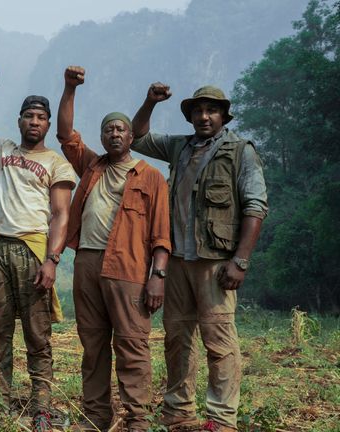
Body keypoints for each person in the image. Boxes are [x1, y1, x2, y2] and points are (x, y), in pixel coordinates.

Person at [131, 83, 268, 432]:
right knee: (177, 339)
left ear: (223, 115)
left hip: (216, 263)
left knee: (218, 341)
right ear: (190, 115)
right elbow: (138, 136)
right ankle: (179, 412)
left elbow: (256, 206)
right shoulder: (179, 146)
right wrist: (150, 101)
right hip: (177, 261)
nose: (204, 116)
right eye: (197, 110)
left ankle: (221, 419)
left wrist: (240, 261)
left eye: (211, 110)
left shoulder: (240, 151)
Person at [0, 69, 75, 432]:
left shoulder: (57, 162)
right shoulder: (4, 148)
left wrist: (52, 260)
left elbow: (60, 215)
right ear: (19, 120)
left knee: (38, 334)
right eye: (29, 116)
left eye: (41, 117)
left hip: (33, 249)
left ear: (48, 123)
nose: (34, 122)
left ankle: (41, 405)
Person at [56, 67, 171, 431]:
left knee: (132, 344)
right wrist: (69, 88)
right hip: (87, 261)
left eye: (121, 128)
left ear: (132, 135)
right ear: (102, 137)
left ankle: (137, 420)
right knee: (93, 345)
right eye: (109, 129)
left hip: (129, 269)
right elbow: (65, 134)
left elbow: (161, 235)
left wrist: (158, 277)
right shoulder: (92, 165)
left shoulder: (150, 176)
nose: (115, 133)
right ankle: (96, 416)